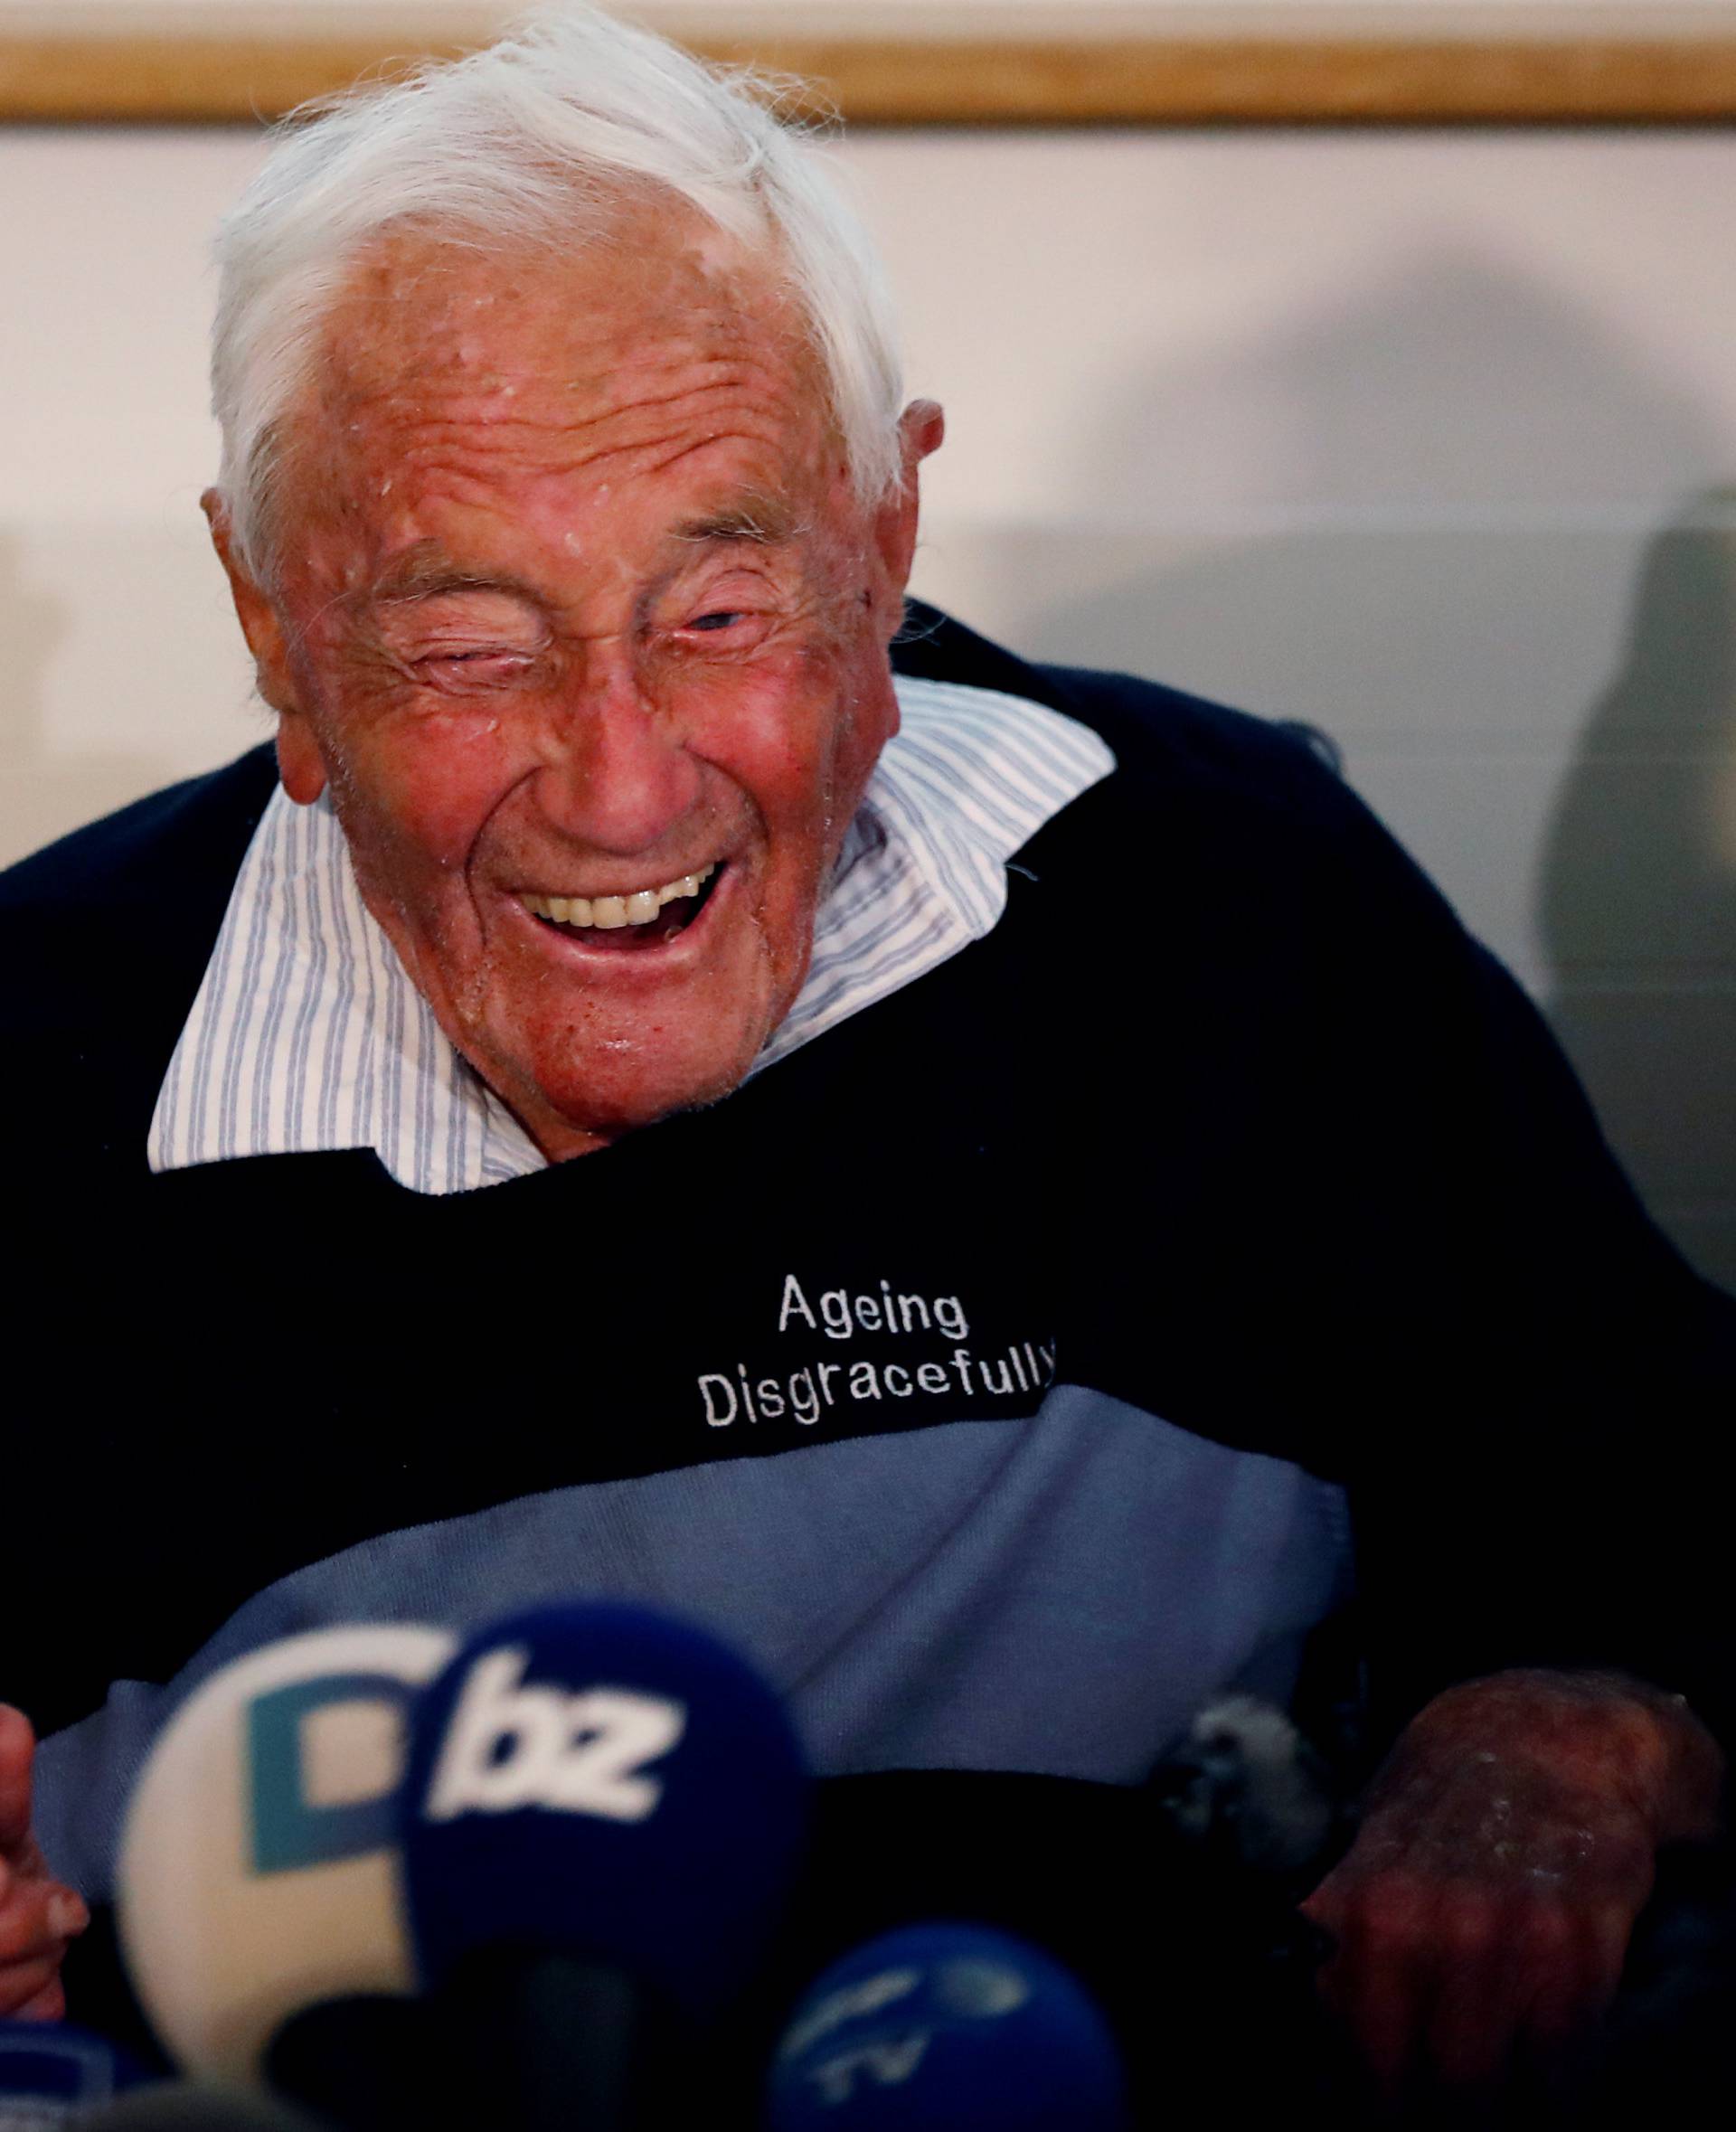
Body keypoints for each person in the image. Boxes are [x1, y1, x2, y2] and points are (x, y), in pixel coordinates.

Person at [0, 4, 1730, 2107]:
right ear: (275, 628)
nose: (622, 791)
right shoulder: (37, 1070)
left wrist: (1572, 1721)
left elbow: (1653, 1510)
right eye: (468, 647)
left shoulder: (1224, 904)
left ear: (886, 548)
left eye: (722, 615)